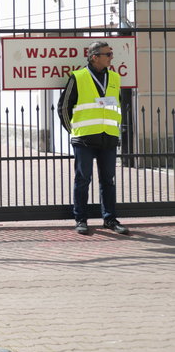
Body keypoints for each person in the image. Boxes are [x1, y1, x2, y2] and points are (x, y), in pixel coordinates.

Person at [58, 40, 129, 236]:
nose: (111, 57)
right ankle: (80, 219)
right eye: (108, 54)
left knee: (109, 180)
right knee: (83, 179)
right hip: (85, 140)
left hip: (108, 138)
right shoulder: (78, 77)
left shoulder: (114, 77)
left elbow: (118, 105)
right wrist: (72, 130)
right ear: (94, 57)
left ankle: (110, 219)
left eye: (111, 53)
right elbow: (64, 107)